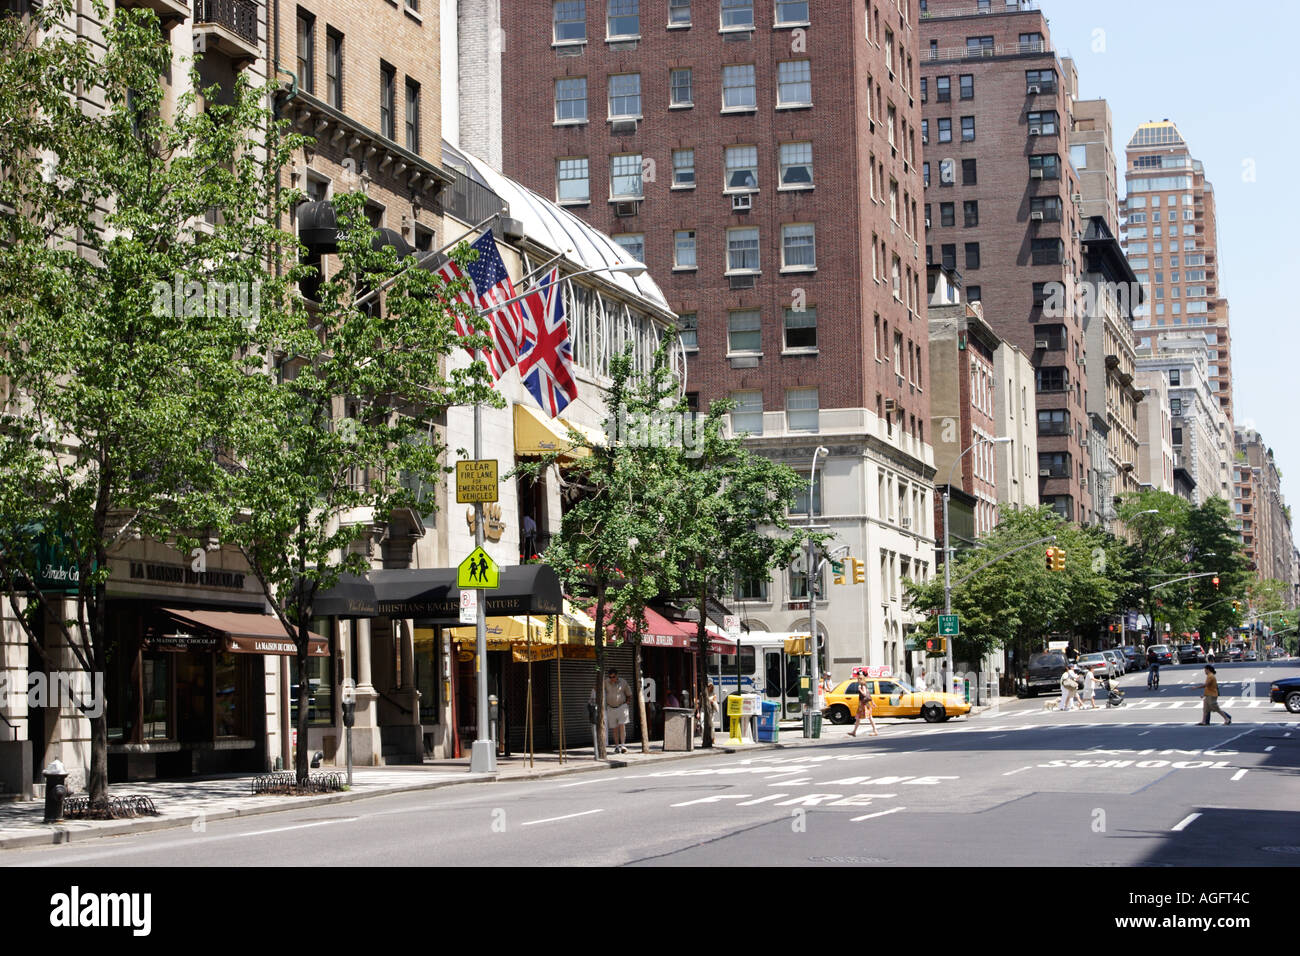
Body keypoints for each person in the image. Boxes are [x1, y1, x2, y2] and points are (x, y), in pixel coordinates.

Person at [603, 667, 633, 753]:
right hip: (611, 707)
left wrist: (626, 703)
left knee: (622, 725)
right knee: (614, 728)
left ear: (617, 676)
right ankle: (616, 746)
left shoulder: (623, 682)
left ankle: (623, 745)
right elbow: (598, 689)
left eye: (613, 677)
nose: (612, 679)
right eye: (610, 677)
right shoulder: (606, 682)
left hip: (621, 706)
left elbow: (629, 693)